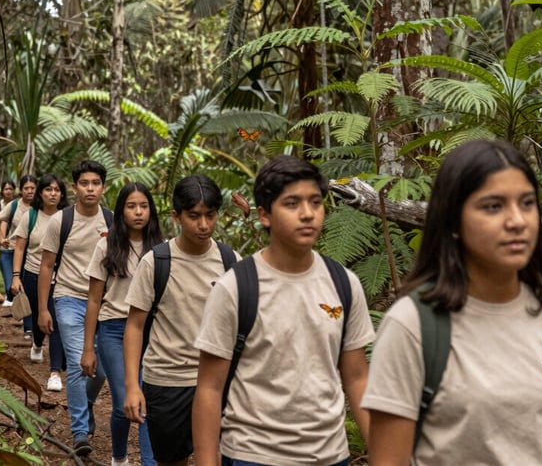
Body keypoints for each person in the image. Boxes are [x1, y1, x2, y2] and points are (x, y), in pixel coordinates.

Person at [362, 139, 542, 465]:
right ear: (453, 221)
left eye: (527, 203)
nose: (517, 221)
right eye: (493, 206)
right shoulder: (413, 325)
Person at [192, 156, 374, 466]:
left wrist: (385, 453)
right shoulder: (236, 287)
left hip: (330, 455)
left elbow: (357, 377)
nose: (307, 213)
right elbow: (209, 387)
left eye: (315, 202)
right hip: (254, 455)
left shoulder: (344, 283)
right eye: (292, 204)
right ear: (264, 214)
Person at [124, 174, 238, 466]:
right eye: (194, 216)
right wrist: (132, 386)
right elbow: (135, 325)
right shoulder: (156, 262)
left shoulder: (231, 261)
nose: (204, 225)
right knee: (173, 460)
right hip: (168, 381)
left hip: (218, 380)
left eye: (210, 215)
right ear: (177, 216)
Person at [81, 182, 163, 466]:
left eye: (143, 206)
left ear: (151, 211)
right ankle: (119, 458)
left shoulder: (162, 249)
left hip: (151, 331)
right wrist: (88, 348)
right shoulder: (106, 245)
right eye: (131, 206)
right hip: (113, 330)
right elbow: (94, 299)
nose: (138, 212)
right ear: (121, 211)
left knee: (146, 401)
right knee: (124, 400)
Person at [38, 160, 111, 457]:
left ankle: (87, 404)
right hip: (68, 298)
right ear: (75, 187)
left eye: (95, 183)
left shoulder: (112, 221)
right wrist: (43, 309)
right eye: (84, 183)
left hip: (104, 302)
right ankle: (80, 430)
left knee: (102, 370)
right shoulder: (61, 220)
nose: (90, 189)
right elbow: (46, 266)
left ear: (103, 187)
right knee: (80, 364)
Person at [10, 174, 67, 393]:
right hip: (33, 274)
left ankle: (55, 372)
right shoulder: (31, 216)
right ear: (40, 193)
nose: (52, 194)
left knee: (56, 321)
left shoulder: (67, 216)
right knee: (37, 316)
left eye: (57, 190)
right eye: (48, 190)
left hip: (60, 277)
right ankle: (36, 342)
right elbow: (19, 248)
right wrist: (16, 276)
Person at [0, 175, 37, 309]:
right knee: (10, 286)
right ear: (21, 190)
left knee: (25, 286)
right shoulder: (14, 205)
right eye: (26, 188)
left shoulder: (40, 207)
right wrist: (1, 238)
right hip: (9, 250)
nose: (30, 191)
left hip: (29, 253)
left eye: (32, 188)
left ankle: (23, 314)